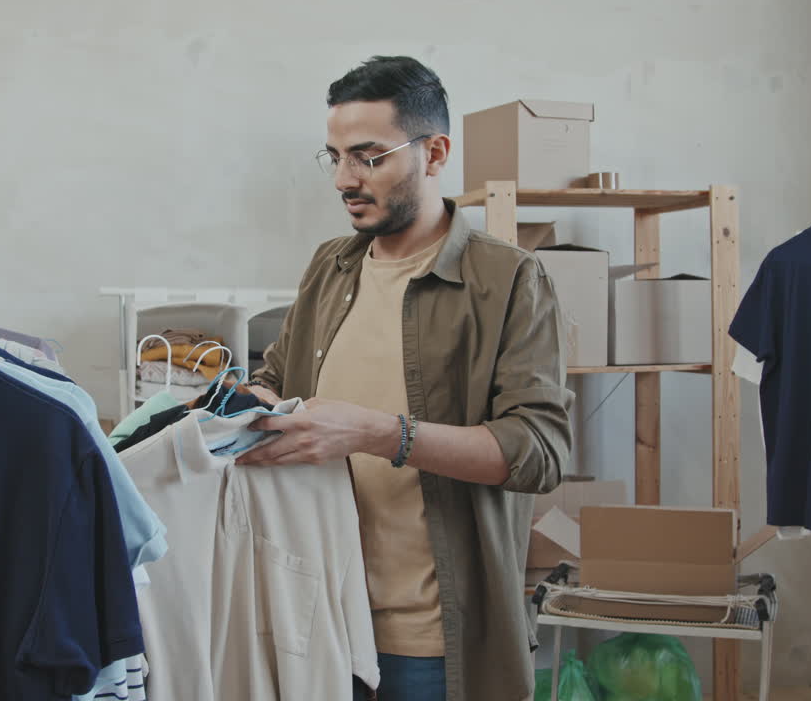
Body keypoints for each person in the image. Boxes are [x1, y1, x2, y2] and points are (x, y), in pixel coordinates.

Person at [237, 56, 574, 701]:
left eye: (368, 157)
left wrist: (374, 432)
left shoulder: (508, 280)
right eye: (333, 157)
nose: (344, 179)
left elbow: (539, 451)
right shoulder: (330, 266)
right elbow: (280, 377)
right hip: (317, 617)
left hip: (428, 641)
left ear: (435, 153)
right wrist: (233, 404)